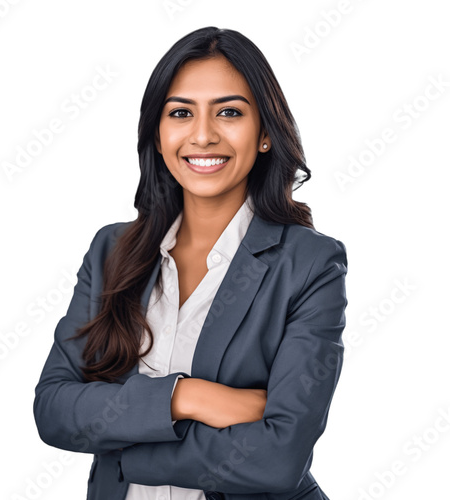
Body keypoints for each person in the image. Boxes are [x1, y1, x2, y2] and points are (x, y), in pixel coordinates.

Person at [33, 26, 348, 500]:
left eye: (229, 112)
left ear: (264, 135)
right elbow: (55, 408)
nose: (203, 135)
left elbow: (277, 460)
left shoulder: (309, 263)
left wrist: (126, 451)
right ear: (158, 137)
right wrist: (186, 397)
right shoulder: (111, 251)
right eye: (181, 113)